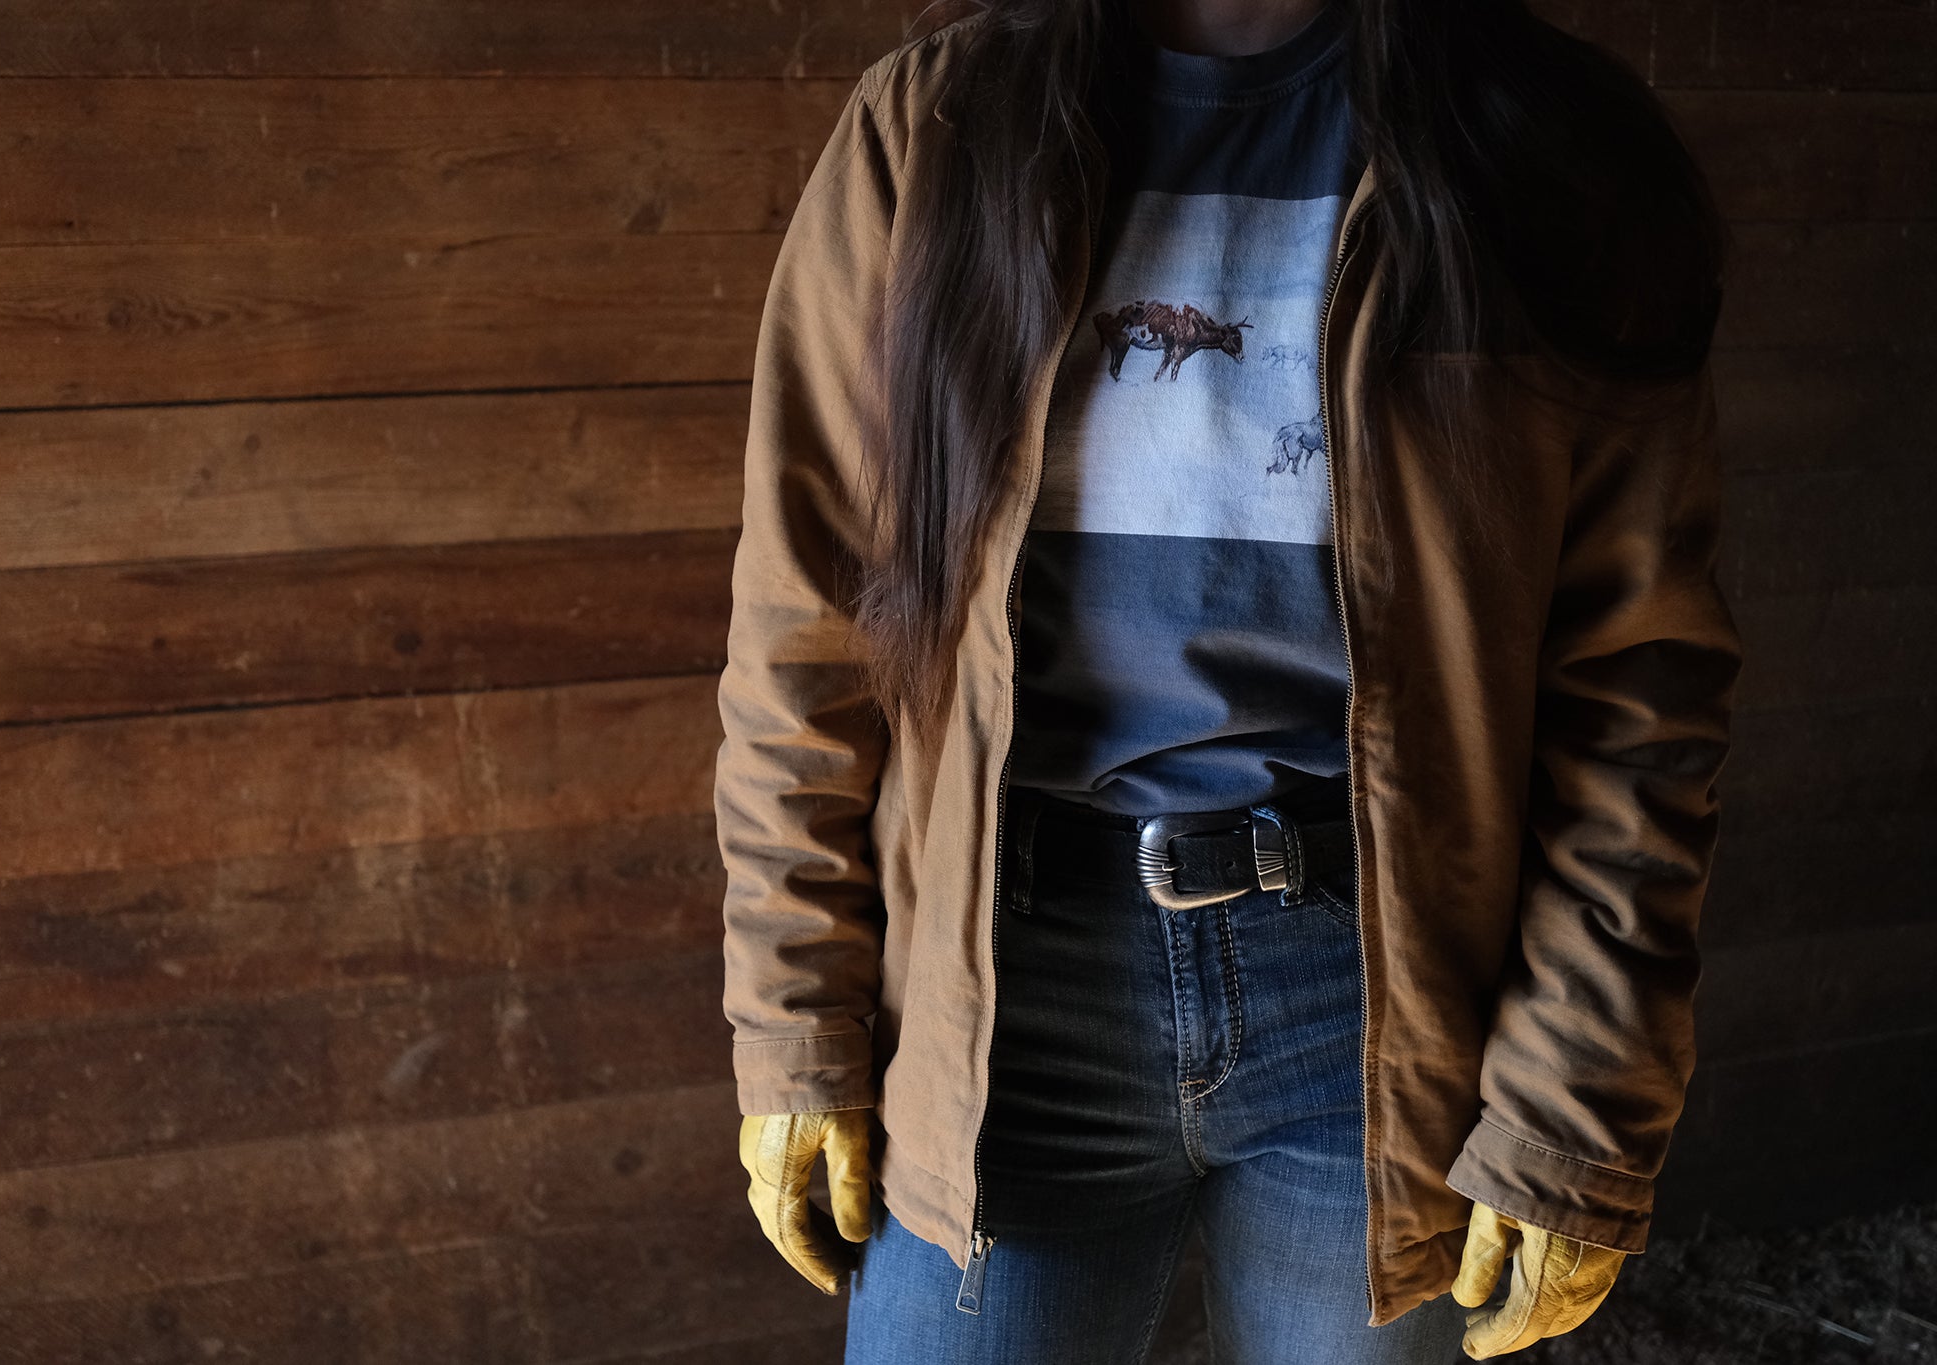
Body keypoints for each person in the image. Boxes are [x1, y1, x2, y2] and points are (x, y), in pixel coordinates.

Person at [716, 0, 1742, 1359]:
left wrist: (1582, 1093)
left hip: (1384, 998)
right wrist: (797, 1014)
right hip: (1002, 994)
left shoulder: (1544, 153)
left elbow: (1636, 685)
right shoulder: (932, 133)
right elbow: (810, 617)